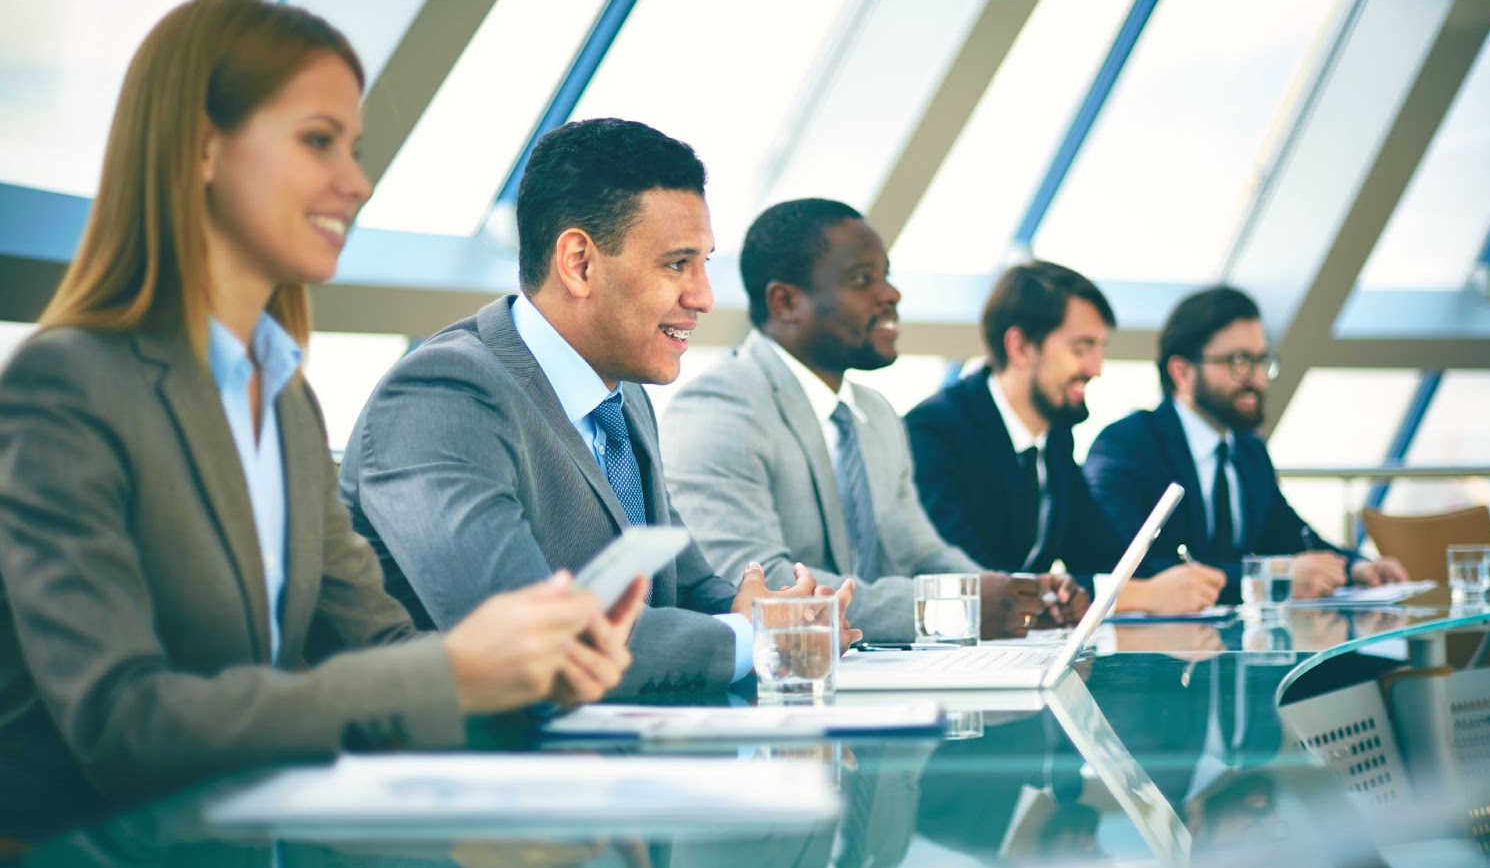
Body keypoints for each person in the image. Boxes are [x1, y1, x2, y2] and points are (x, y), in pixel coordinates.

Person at [0, 0, 638, 832]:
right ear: (202, 147)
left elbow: (375, 655)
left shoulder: (287, 400)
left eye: (356, 148)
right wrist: (452, 671)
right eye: (317, 141)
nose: (358, 182)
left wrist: (529, 678)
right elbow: (125, 724)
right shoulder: (68, 387)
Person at [340, 118, 846, 700]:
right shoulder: (442, 396)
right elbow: (531, 637)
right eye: (677, 264)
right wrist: (751, 639)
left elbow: (681, 585)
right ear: (579, 263)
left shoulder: (622, 393)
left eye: (705, 263)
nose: (703, 296)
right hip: (465, 764)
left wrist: (778, 615)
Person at [662, 198, 1072, 643]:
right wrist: (952, 609)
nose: (890, 294)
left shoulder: (875, 413)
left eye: (886, 276)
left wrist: (1013, 596)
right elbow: (762, 585)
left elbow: (920, 552)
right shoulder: (720, 408)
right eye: (862, 280)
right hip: (791, 688)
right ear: (785, 301)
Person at [905, 262, 1225, 615]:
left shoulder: (1054, 439)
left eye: (1100, 347)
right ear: (1021, 347)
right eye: (1081, 347)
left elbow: (1099, 554)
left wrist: (1169, 583)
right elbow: (973, 582)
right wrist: (1138, 596)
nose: (1096, 368)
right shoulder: (934, 432)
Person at [1083, 286, 1407, 601]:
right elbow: (1126, 570)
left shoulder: (1248, 452)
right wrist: (1271, 576)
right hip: (1154, 649)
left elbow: (1291, 535)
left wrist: (1356, 567)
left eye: (1261, 360)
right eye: (1239, 362)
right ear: (1182, 372)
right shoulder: (1126, 446)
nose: (1257, 379)